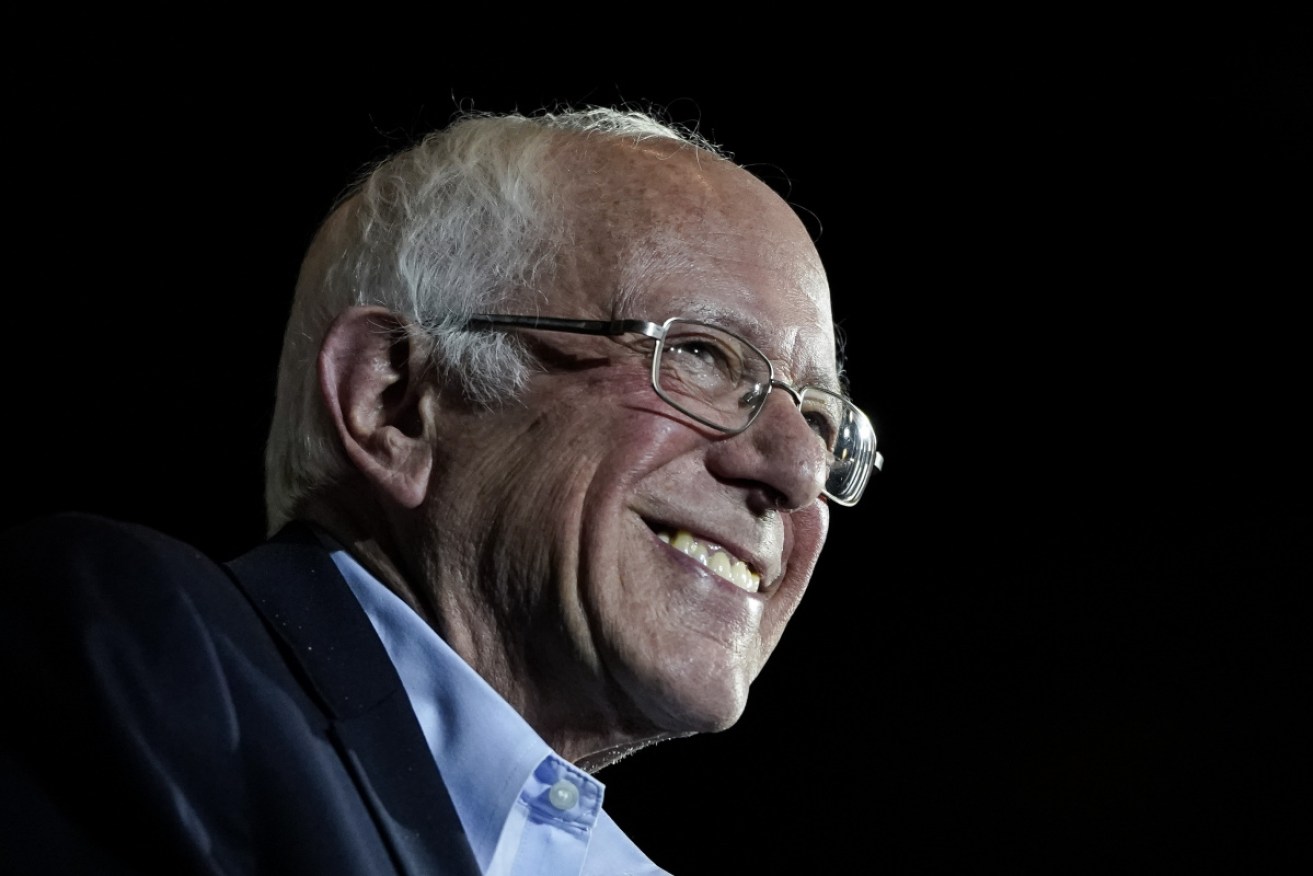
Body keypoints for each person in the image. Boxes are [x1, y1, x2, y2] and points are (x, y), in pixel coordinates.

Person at [0, 105, 882, 875]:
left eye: (819, 415)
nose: (797, 471)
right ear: (393, 399)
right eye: (700, 355)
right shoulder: (136, 655)